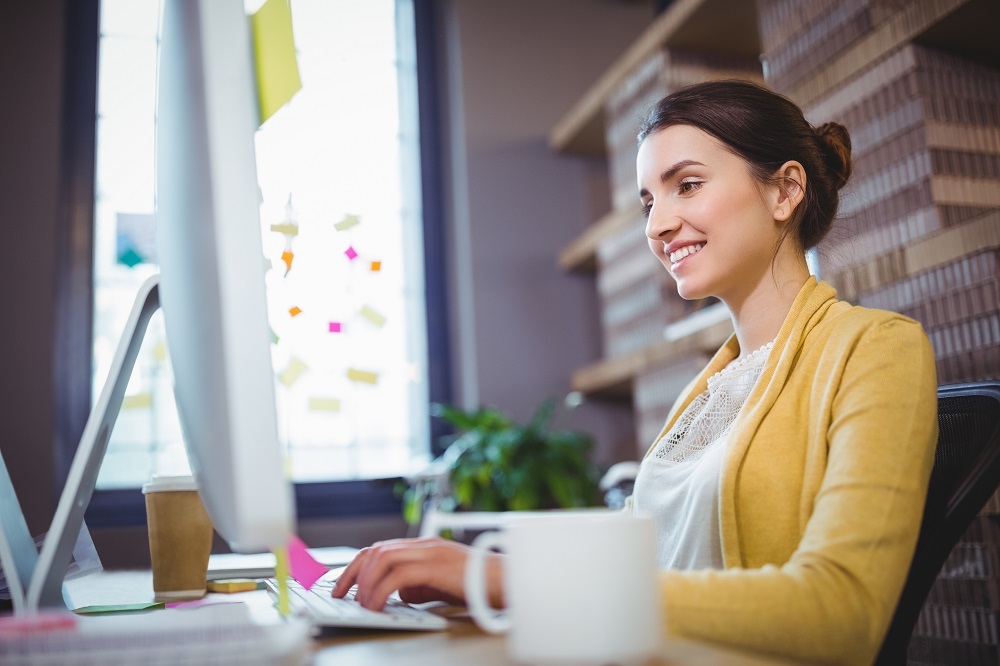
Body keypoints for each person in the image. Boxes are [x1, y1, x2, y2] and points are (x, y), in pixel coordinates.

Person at [331, 80, 938, 665]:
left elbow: (843, 612)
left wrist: (513, 578)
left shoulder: (877, 349)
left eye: (688, 186)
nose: (658, 225)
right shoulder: (713, 388)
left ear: (785, 191)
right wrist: (476, 579)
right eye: (650, 202)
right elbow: (634, 554)